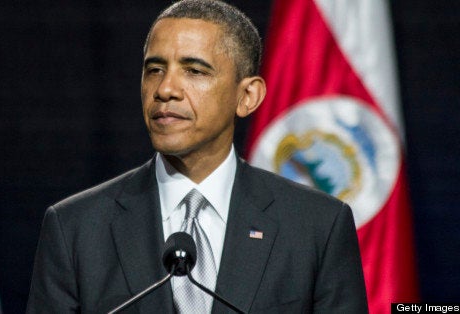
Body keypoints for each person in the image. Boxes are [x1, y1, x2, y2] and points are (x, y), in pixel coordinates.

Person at [27, 0, 368, 313]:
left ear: (247, 96)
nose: (165, 89)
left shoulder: (317, 226)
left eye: (194, 70)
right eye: (154, 69)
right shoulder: (75, 228)